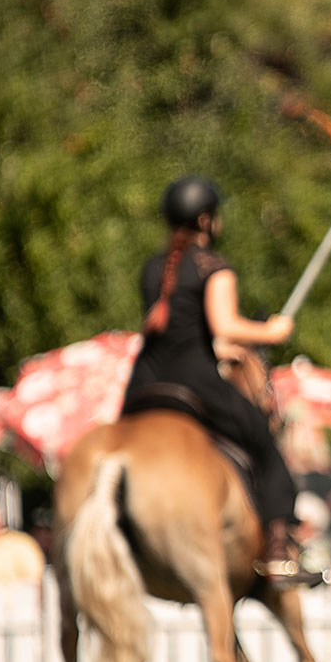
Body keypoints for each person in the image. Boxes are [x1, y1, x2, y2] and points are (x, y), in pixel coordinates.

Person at [122, 174, 308, 584]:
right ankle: (279, 550)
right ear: (206, 221)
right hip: (193, 379)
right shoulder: (213, 266)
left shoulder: (153, 267)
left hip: (143, 379)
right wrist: (272, 332)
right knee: (265, 444)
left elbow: (181, 328)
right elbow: (223, 326)